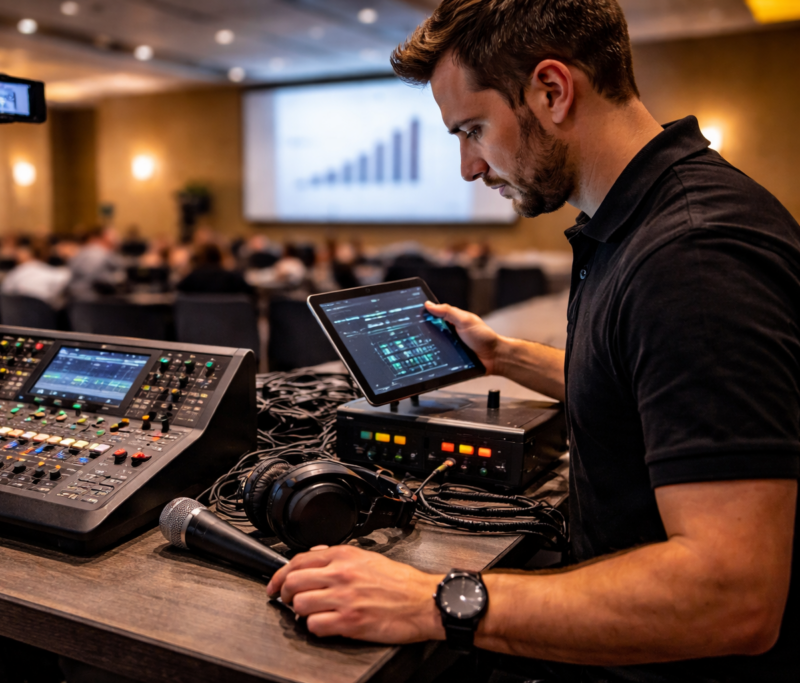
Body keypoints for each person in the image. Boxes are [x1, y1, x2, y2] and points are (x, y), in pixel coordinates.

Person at [267, 2, 799, 681]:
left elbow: (734, 597)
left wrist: (436, 598)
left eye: (473, 129)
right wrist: (503, 354)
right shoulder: (644, 219)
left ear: (552, 91)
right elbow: (638, 383)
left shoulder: (692, 259)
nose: (467, 166)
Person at [0, 239, 72, 309]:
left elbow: (4, 293)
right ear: (47, 253)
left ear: (30, 253)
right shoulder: (58, 274)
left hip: (17, 318)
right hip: (46, 318)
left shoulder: (16, 272)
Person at [66, 225, 126, 300]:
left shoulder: (83, 251)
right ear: (105, 238)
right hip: (90, 299)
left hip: (73, 297)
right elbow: (120, 268)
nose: (117, 240)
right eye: (115, 238)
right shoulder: (100, 252)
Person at [176, 243, 253, 295]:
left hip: (197, 318)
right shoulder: (232, 278)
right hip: (227, 318)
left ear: (201, 258)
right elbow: (250, 293)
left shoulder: (192, 278)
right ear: (220, 257)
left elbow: (178, 293)